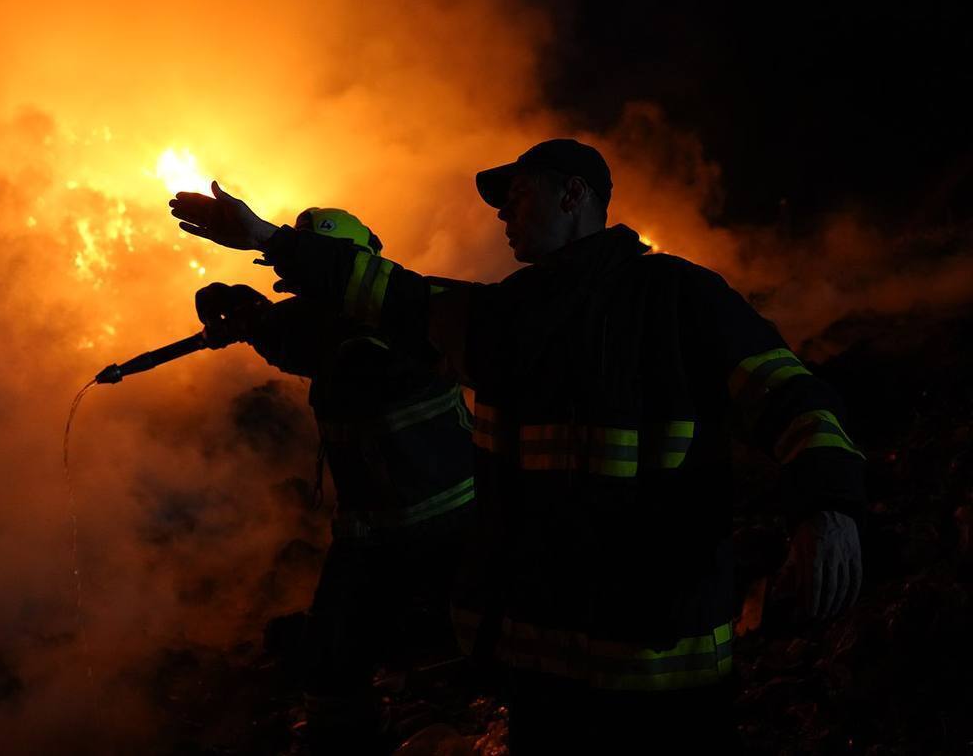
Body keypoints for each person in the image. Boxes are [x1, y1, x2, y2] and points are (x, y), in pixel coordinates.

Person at [171, 140, 866, 753]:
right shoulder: (509, 315)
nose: (502, 212)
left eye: (518, 195)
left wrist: (827, 507)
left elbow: (795, 398)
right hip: (543, 680)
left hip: (661, 675)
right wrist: (266, 237)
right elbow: (394, 298)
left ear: (574, 196)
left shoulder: (679, 298)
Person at [193, 207, 476, 755]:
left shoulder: (406, 323)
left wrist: (259, 320)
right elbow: (300, 338)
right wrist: (249, 314)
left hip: (451, 532)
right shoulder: (321, 327)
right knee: (330, 668)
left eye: (311, 271)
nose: (296, 287)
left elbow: (347, 357)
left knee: (452, 654)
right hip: (370, 536)